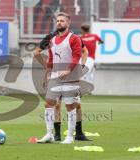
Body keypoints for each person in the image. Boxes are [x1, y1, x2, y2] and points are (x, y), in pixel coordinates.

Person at [36, 12, 85, 144]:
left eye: (62, 21)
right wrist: (47, 74)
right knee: (48, 104)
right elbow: (51, 59)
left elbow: (77, 56)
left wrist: (68, 70)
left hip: (71, 77)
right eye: (57, 21)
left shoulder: (74, 38)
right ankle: (49, 134)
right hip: (55, 77)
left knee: (70, 106)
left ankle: (69, 136)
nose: (59, 23)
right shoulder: (52, 40)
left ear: (68, 23)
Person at [53, 24, 104, 141]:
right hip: (61, 74)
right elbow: (98, 44)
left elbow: (83, 51)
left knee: (72, 105)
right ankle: (57, 134)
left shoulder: (76, 39)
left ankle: (78, 133)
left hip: (70, 74)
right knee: (58, 104)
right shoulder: (56, 40)